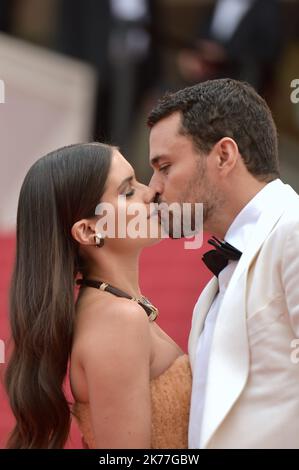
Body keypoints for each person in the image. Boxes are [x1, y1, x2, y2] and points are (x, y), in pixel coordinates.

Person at [5, 142, 191, 449]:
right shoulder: (118, 320)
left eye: (137, 181)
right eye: (127, 191)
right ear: (90, 232)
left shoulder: (118, 309)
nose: (150, 192)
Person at [147, 78, 299, 448]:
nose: (152, 187)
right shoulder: (226, 267)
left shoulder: (293, 230)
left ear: (224, 156)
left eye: (165, 167)